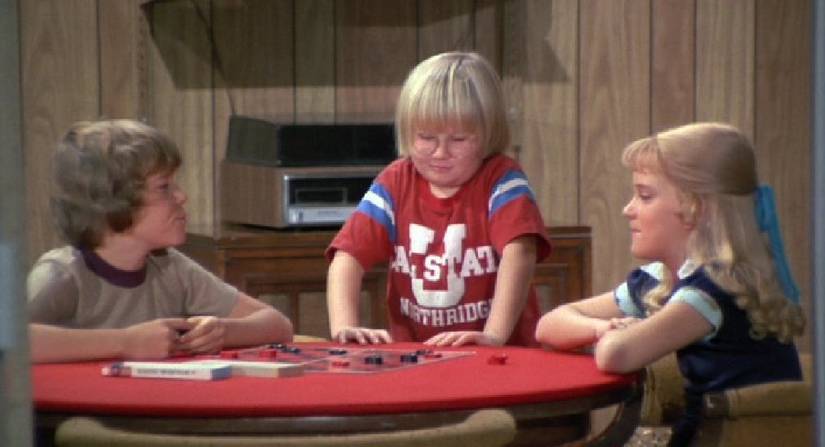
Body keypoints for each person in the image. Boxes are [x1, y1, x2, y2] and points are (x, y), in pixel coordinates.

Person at [535, 122, 805, 446]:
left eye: (644, 195)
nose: (627, 209)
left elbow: (615, 355)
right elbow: (549, 325)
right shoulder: (660, 280)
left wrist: (614, 335)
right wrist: (601, 329)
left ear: (696, 208)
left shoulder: (712, 291)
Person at [326, 51, 551, 347]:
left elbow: (520, 252)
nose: (440, 152)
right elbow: (347, 258)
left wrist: (493, 335)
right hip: (416, 353)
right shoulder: (395, 181)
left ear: (489, 134)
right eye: (426, 138)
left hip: (501, 354)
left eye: (458, 139)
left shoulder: (501, 178)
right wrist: (345, 327)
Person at [28, 119, 293, 363]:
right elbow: (14, 342)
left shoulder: (170, 267)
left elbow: (278, 325)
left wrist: (223, 331)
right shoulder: (62, 274)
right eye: (164, 187)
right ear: (111, 200)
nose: (181, 197)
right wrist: (126, 342)